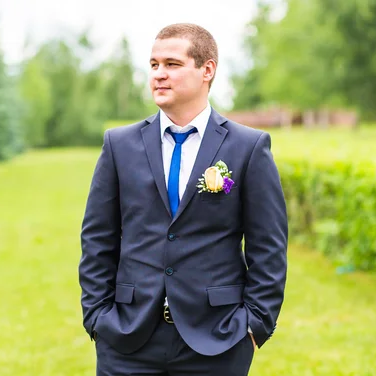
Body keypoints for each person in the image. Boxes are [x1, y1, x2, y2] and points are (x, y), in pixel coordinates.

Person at [79, 23, 288, 376]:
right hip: (128, 338)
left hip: (218, 339)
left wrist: (253, 325)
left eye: (172, 65)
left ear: (207, 70)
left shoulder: (248, 147)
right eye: (154, 65)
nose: (159, 74)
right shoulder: (119, 145)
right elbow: (97, 238)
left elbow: (268, 245)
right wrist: (98, 318)